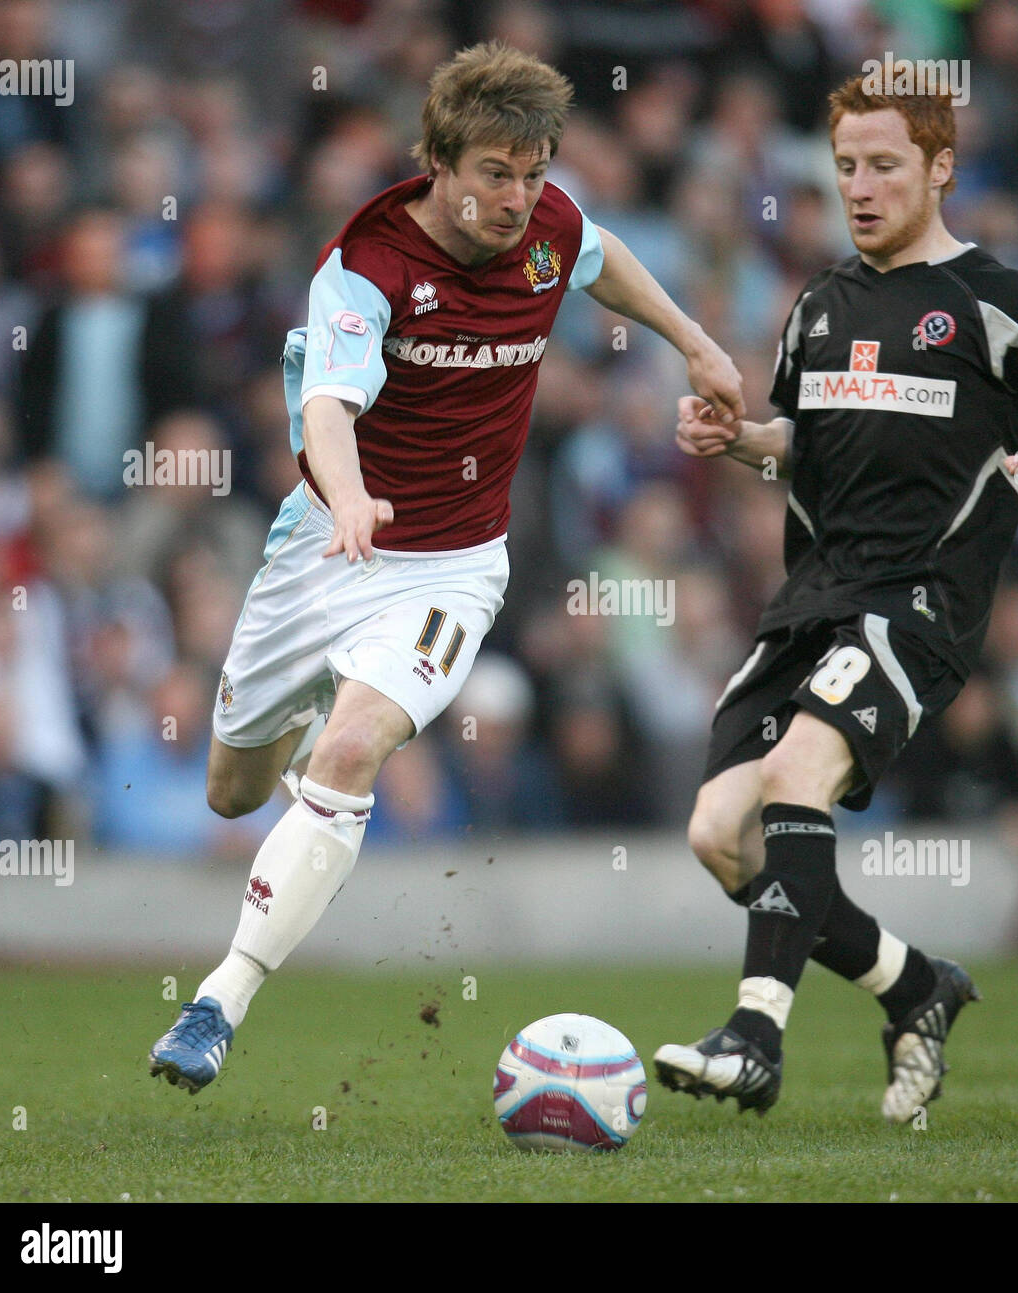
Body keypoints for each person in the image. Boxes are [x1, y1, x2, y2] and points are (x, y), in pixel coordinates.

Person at [148, 41, 742, 1094]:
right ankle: (304, 714)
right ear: (439, 163)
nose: (519, 198)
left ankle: (216, 1003)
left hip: (452, 567)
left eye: (534, 170)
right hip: (330, 544)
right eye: (495, 174)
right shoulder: (367, 263)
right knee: (233, 791)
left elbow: (602, 258)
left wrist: (694, 343)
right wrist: (348, 497)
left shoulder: (550, 227)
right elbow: (327, 404)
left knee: (350, 757)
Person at [653, 75, 1018, 1123]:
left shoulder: (998, 301)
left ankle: (755, 1034)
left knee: (791, 779)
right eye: (845, 169)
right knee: (718, 831)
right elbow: (797, 445)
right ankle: (915, 987)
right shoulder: (818, 306)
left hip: (917, 605)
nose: (860, 189)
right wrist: (730, 438)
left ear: (939, 169)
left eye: (883, 167)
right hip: (809, 599)